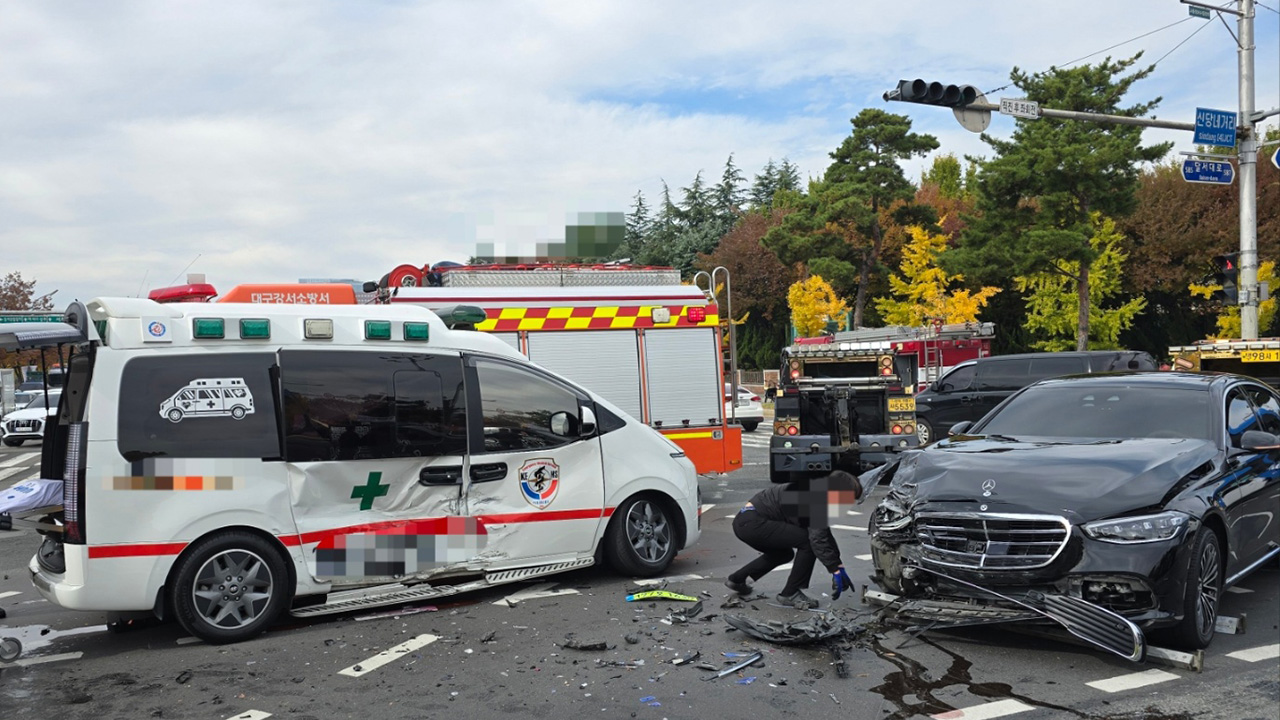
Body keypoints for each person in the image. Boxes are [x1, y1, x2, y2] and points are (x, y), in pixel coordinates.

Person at [725, 471, 859, 609]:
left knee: (783, 554)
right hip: (754, 524)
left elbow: (823, 532)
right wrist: (833, 568)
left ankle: (736, 580)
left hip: (745, 523)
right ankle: (791, 593)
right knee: (808, 542)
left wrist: (838, 565)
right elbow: (817, 539)